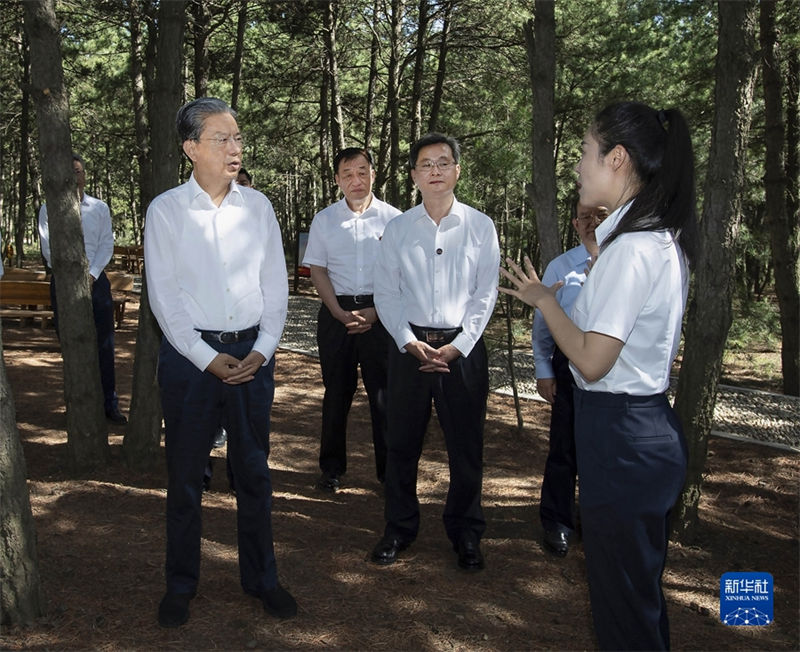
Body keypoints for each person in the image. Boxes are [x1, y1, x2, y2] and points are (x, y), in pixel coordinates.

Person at [500, 101, 698, 650]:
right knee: (635, 597)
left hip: (623, 437)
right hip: (635, 433)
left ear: (616, 158)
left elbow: (591, 360)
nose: (578, 166)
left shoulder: (634, 249)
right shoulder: (645, 240)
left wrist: (544, 301)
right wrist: (594, 254)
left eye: (585, 152)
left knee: (623, 609)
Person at [144, 97, 296, 628]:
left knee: (254, 473)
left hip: (254, 355)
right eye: (222, 139)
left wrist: (262, 348)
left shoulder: (259, 208)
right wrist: (210, 359)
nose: (235, 148)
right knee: (186, 478)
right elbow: (165, 298)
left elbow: (275, 285)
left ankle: (263, 580)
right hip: (191, 363)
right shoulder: (166, 210)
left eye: (237, 138)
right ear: (191, 148)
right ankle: (180, 585)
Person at [370, 133, 500, 571]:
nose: (436, 171)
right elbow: (385, 292)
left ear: (457, 171)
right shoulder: (399, 228)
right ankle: (399, 528)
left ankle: (466, 532)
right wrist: (408, 341)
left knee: (465, 447)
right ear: (413, 175)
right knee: (401, 443)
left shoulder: (480, 226)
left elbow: (486, 294)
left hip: (462, 350)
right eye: (426, 164)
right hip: (409, 350)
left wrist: (459, 346)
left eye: (444, 163)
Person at [302, 147, 400, 492]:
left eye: (362, 171)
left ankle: (389, 473)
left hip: (382, 313)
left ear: (374, 173)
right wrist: (337, 312)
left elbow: (404, 275)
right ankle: (331, 469)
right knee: (336, 394)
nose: (356, 180)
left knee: (384, 395)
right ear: (337, 179)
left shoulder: (395, 219)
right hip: (336, 313)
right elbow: (317, 269)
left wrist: (376, 312)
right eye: (348, 174)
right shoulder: (325, 220)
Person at [533, 200, 607, 557]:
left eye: (602, 215)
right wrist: (545, 370)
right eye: (585, 217)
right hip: (569, 367)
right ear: (576, 224)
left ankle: (598, 522)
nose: (592, 223)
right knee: (564, 449)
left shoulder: (631, 263)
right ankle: (558, 522)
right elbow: (543, 326)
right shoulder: (561, 266)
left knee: (607, 451)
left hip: (616, 371)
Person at [38, 154, 126, 424]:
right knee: (70, 343)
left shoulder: (99, 208)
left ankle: (109, 403)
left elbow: (106, 246)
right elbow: (47, 247)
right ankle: (78, 402)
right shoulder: (47, 208)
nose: (75, 176)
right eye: (70, 172)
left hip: (96, 282)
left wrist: (91, 274)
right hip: (63, 282)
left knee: (105, 344)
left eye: (79, 171)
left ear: (84, 174)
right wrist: (70, 276)